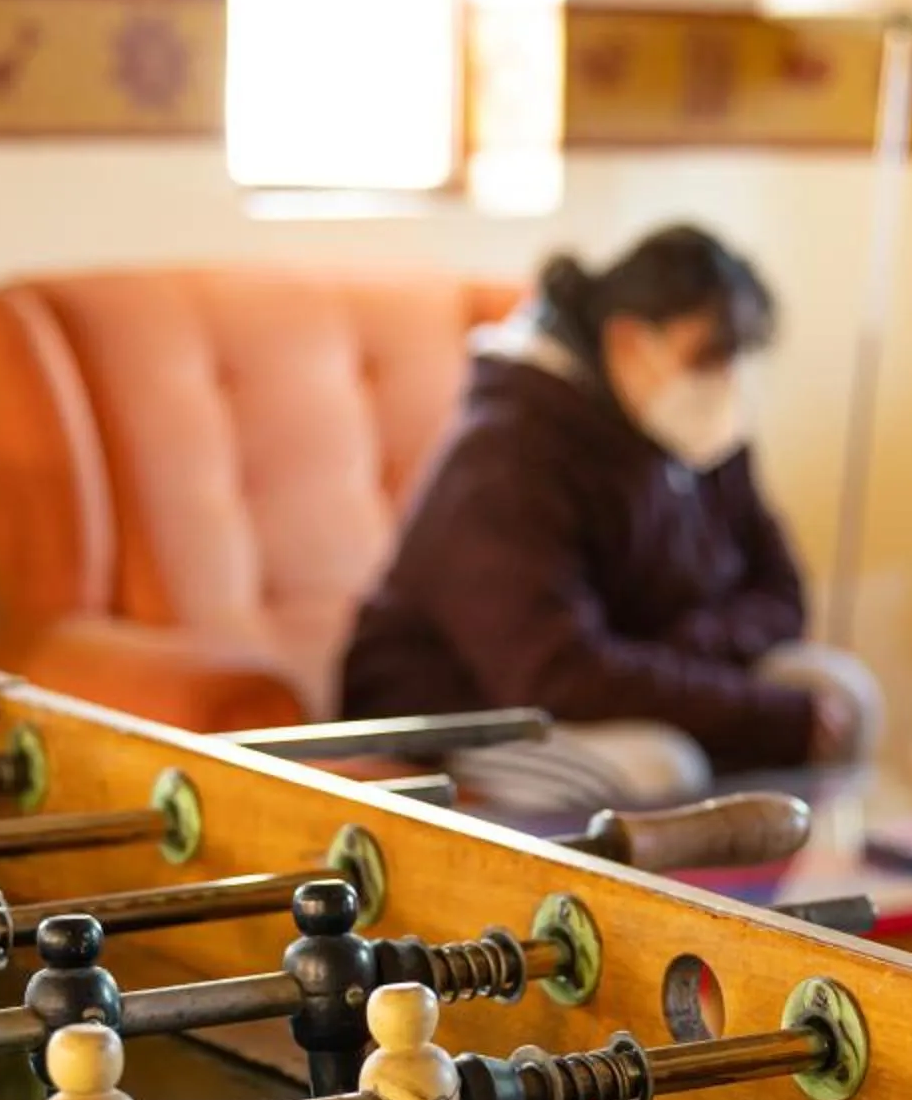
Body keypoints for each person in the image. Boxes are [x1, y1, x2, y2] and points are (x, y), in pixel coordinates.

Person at [338, 225, 880, 812]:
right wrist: (756, 712)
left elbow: (781, 593)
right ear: (626, 340)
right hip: (471, 708)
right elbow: (557, 673)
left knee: (845, 695)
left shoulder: (698, 434)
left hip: (623, 677)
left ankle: (792, 900)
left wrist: (685, 650)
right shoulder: (507, 455)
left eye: (736, 359)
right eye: (707, 357)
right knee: (658, 769)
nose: (725, 382)